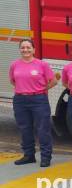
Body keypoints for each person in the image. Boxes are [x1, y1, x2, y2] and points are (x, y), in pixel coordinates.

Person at [9, 39, 57, 167]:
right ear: (20, 49)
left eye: (28, 47)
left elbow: (53, 81)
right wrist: (24, 90)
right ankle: (29, 155)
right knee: (24, 128)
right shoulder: (14, 65)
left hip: (38, 100)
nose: (25, 50)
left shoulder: (42, 65)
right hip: (20, 100)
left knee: (43, 129)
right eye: (23, 47)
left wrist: (40, 90)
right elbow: (13, 81)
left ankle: (46, 157)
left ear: (34, 50)